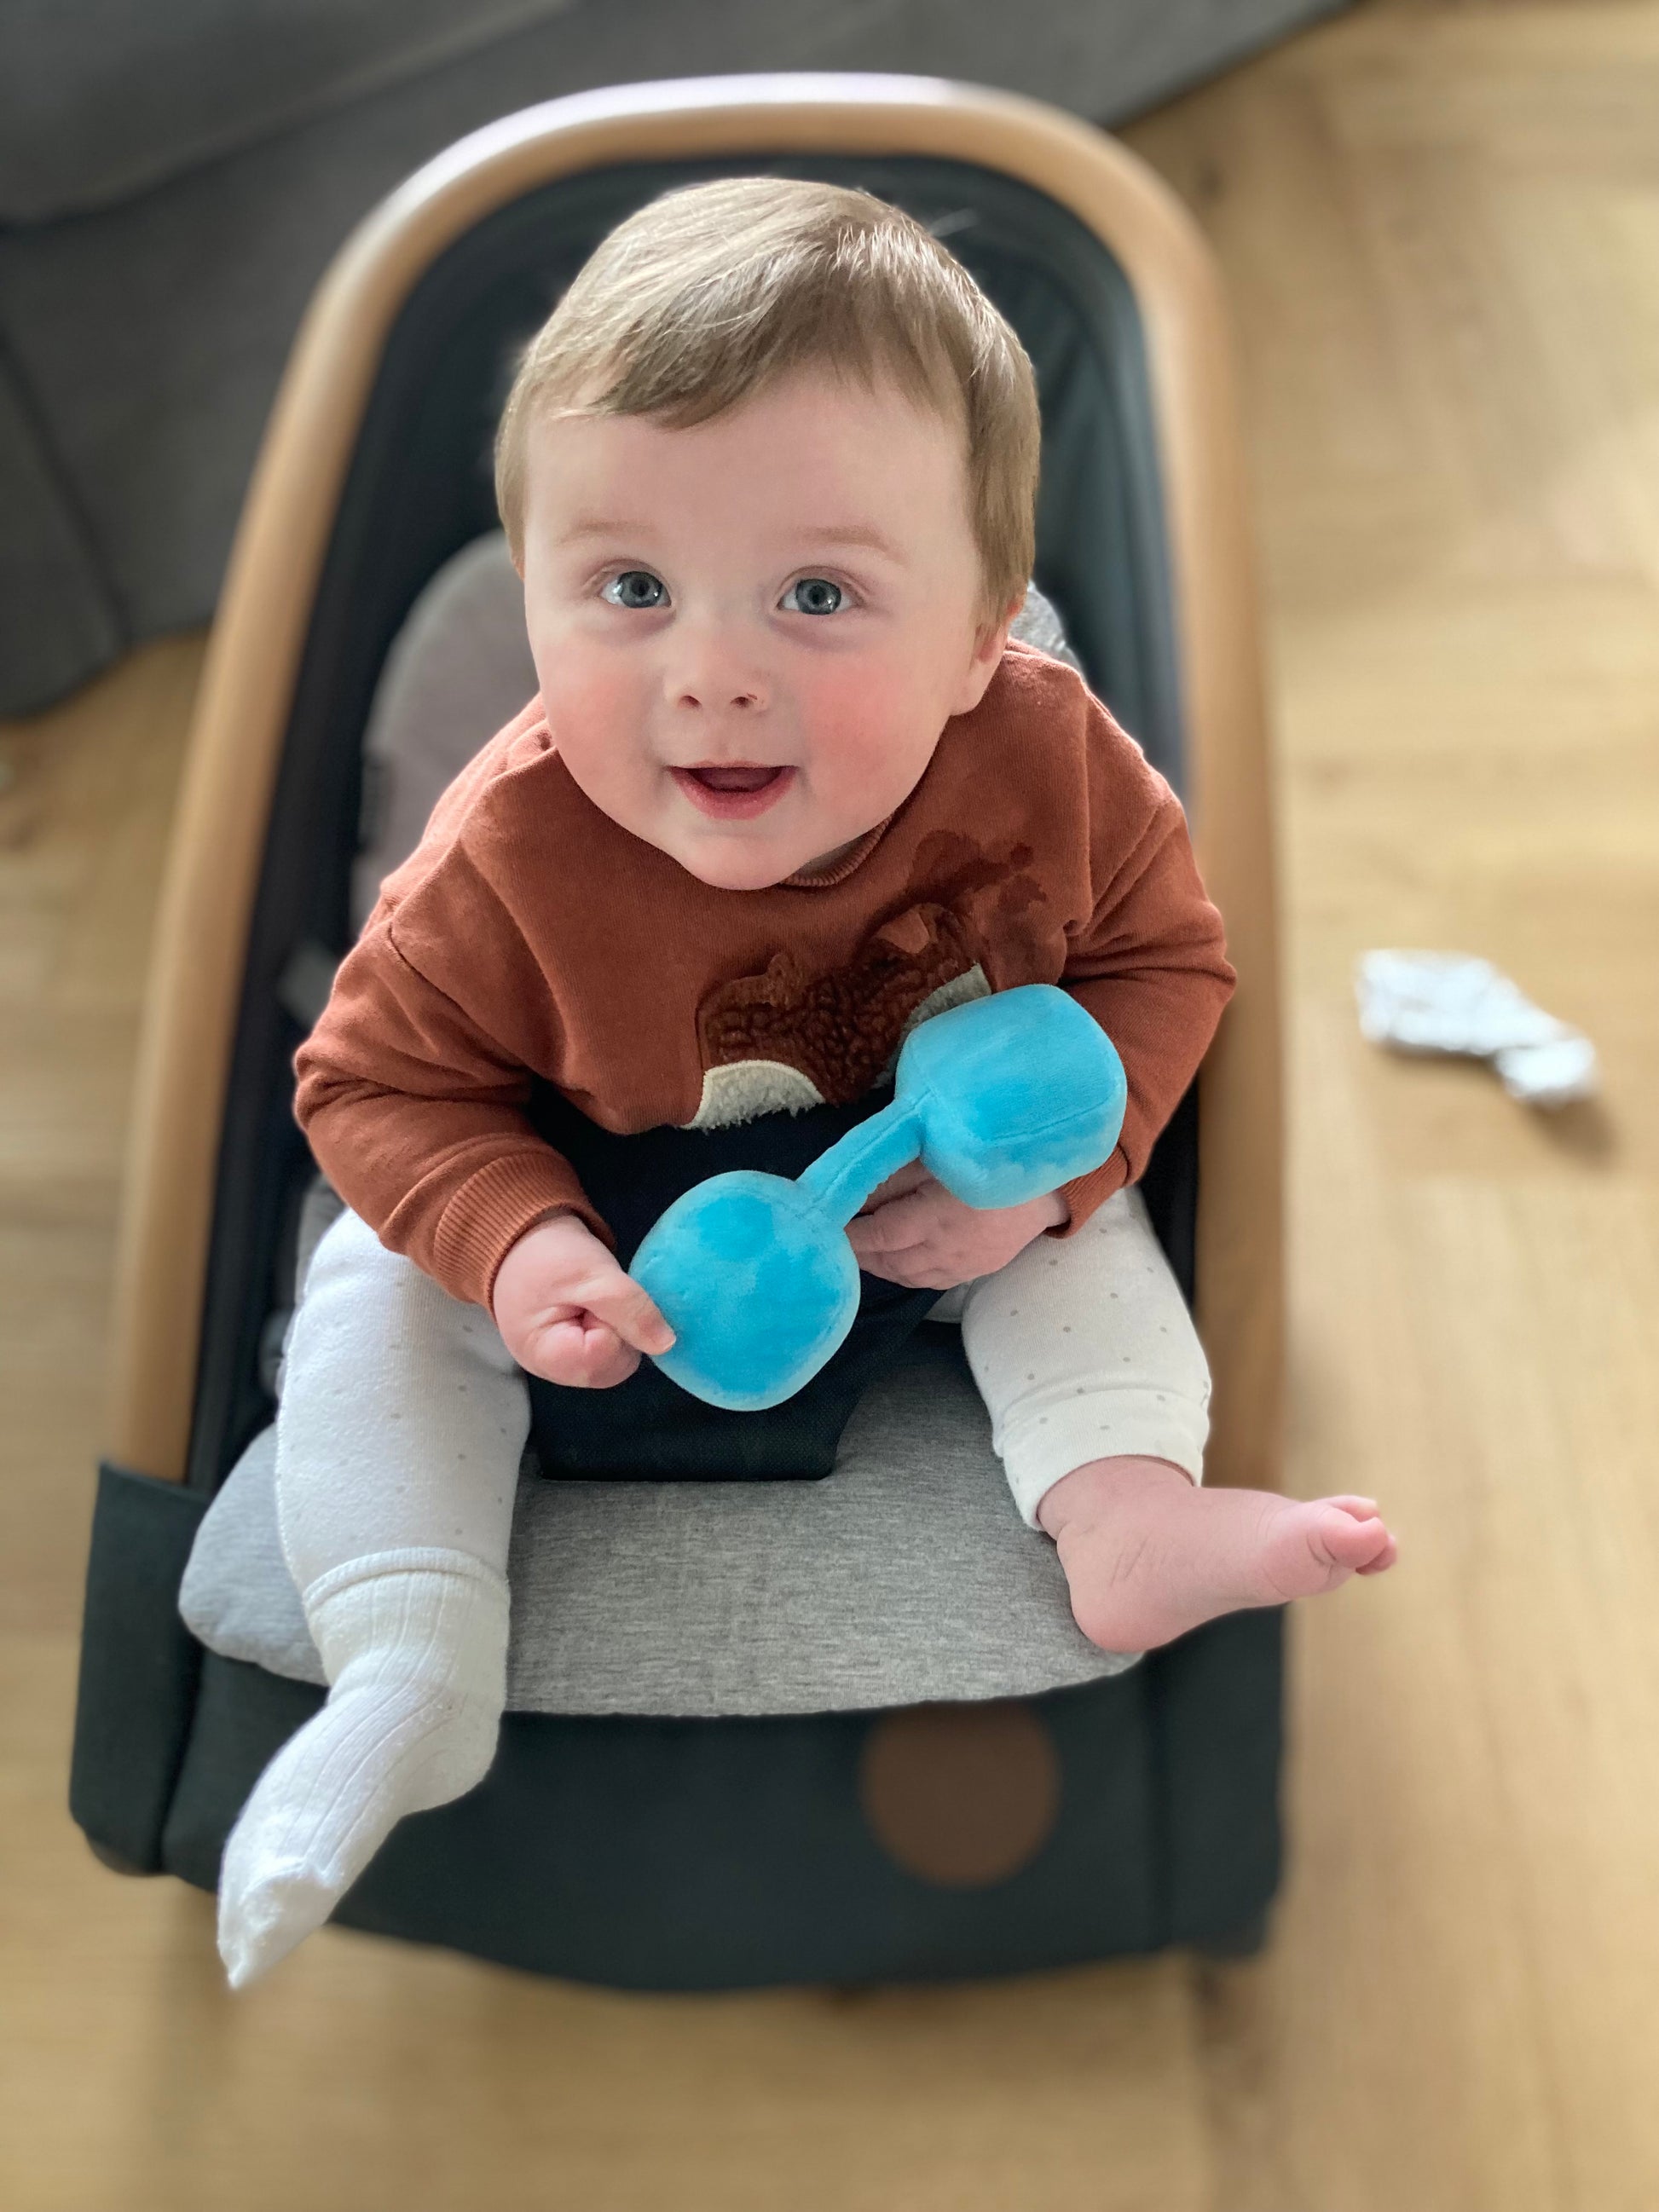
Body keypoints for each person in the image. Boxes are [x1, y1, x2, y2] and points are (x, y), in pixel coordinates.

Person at [216, 177, 1395, 1986]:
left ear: (985, 616)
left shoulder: (1051, 764)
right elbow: (373, 1090)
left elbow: (1166, 966)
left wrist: (1041, 1191)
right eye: (627, 589)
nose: (709, 678)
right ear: (529, 586)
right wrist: (518, 1248)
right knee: (373, 1274)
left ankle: (1126, 1511)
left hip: (931, 1185)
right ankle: (410, 1657)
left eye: (818, 594)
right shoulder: (503, 859)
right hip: (581, 1201)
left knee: (1097, 1231)